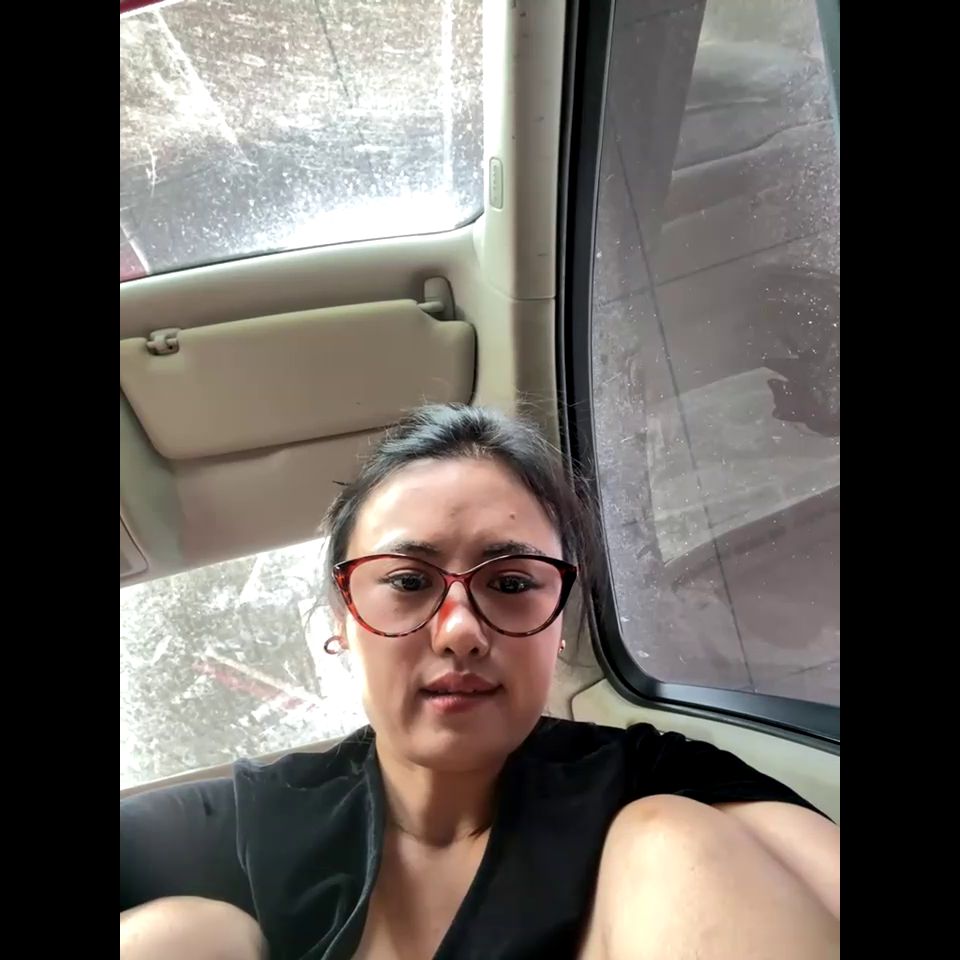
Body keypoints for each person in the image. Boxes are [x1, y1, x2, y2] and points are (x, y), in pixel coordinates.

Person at [120, 404, 840, 960]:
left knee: (672, 841)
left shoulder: (646, 779)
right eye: (408, 581)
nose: (460, 630)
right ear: (342, 619)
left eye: (512, 583)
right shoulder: (264, 821)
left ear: (559, 624)